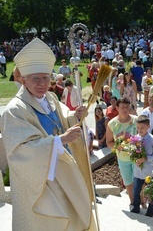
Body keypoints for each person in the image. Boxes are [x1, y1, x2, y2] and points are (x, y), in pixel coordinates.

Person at [0, 38, 96, 230]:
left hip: (64, 172)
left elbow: (62, 119)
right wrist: (60, 140)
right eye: (35, 78)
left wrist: (74, 117)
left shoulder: (50, 98)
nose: (42, 83)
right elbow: (21, 151)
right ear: (22, 79)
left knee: (77, 216)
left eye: (46, 77)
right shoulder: (14, 110)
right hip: (43, 183)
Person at [106, 98, 138, 212]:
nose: (125, 109)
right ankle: (133, 202)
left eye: (126, 106)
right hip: (122, 158)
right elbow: (109, 142)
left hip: (136, 156)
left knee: (139, 180)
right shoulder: (112, 124)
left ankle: (142, 200)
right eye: (122, 107)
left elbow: (143, 137)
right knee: (128, 180)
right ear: (117, 108)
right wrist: (117, 147)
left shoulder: (136, 120)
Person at [131, 115, 153, 216]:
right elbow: (132, 152)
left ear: (148, 126)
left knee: (150, 192)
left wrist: (146, 158)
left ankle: (150, 210)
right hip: (138, 171)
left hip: (149, 171)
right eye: (138, 128)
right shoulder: (135, 139)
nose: (140, 130)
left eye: (142, 128)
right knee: (136, 190)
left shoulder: (152, 139)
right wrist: (135, 158)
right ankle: (136, 207)